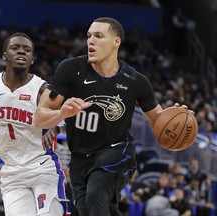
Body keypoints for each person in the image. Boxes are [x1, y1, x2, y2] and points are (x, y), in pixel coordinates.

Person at [34, 17, 192, 216]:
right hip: (80, 159)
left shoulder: (136, 81)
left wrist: (176, 118)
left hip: (117, 152)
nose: (91, 41)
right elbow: (39, 117)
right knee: (92, 210)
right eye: (89, 36)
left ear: (116, 41)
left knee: (96, 193)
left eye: (99, 36)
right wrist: (62, 113)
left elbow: (158, 121)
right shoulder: (69, 69)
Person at [0, 32, 69, 216]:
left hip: (43, 168)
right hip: (12, 173)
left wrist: (55, 129)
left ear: (32, 59)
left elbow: (74, 117)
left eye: (27, 50)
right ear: (4, 55)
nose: (21, 52)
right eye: (15, 48)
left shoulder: (42, 90)